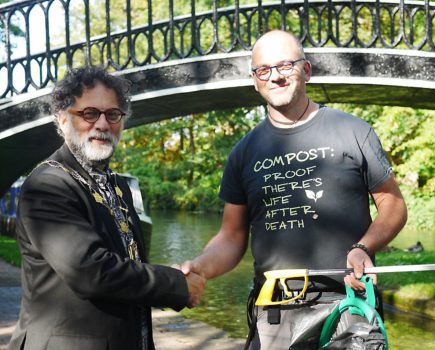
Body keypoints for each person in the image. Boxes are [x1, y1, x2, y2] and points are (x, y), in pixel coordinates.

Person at [182, 30, 407, 349]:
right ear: (255, 80)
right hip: (275, 309)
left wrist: (364, 247)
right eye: (264, 70)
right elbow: (231, 236)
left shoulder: (353, 131)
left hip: (349, 305)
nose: (275, 77)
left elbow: (394, 206)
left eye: (286, 65)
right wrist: (200, 267)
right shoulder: (243, 152)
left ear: (307, 71)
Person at [8, 66, 206, 350]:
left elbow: (131, 267)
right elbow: (91, 271)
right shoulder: (47, 185)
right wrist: (175, 285)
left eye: (112, 114)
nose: (102, 124)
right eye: (89, 114)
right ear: (63, 120)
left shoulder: (118, 186)